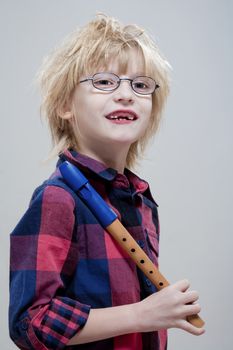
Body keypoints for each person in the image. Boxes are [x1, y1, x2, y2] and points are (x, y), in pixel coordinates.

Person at [9, 14, 205, 350]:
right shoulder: (58, 198)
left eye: (140, 85)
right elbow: (30, 324)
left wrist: (155, 315)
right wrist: (143, 314)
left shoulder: (140, 200)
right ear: (64, 105)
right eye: (104, 82)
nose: (126, 94)